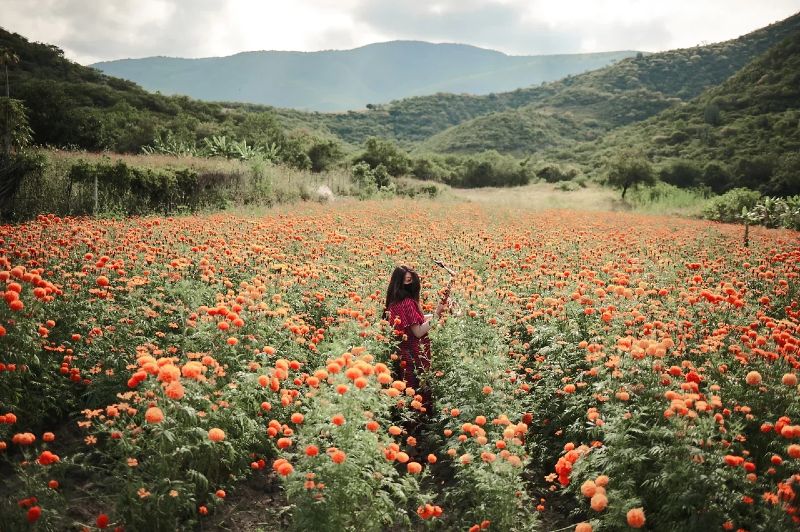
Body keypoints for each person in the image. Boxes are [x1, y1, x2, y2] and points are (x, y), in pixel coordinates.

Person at [384, 265, 447, 414]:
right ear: (400, 282)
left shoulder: (395, 302)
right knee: (420, 392)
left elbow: (416, 321)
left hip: (405, 353)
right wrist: (436, 316)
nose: (412, 284)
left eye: (412, 280)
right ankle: (419, 425)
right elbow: (418, 332)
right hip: (416, 354)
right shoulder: (407, 302)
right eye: (408, 280)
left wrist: (436, 314)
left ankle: (410, 425)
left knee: (409, 390)